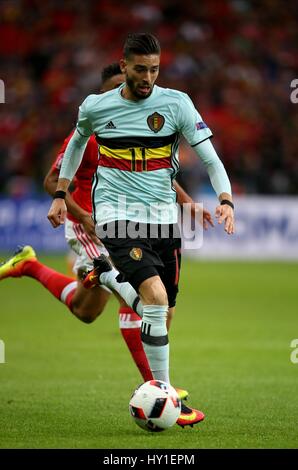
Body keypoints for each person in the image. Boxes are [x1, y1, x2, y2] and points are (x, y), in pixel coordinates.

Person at [0, 63, 213, 410]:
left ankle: (29, 265)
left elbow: (154, 170)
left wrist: (188, 202)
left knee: (86, 310)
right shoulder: (88, 131)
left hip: (131, 222)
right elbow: (52, 182)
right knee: (140, 299)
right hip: (92, 226)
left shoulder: (139, 126)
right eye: (120, 87)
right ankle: (161, 390)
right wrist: (82, 216)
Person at [47, 33, 235, 427]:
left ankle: (110, 276)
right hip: (117, 217)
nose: (147, 77)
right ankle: (165, 395)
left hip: (163, 222)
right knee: (154, 295)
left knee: (163, 310)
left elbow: (211, 158)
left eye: (154, 69)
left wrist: (225, 200)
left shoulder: (177, 103)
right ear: (125, 65)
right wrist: (61, 194)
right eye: (140, 69)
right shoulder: (96, 108)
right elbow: (77, 146)